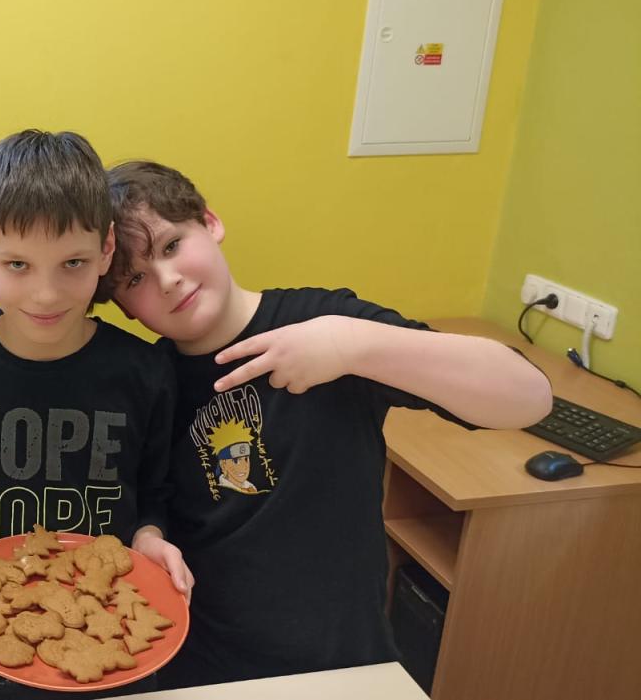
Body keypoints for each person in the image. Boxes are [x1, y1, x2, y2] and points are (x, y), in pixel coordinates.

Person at [98, 160, 554, 688]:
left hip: (344, 664)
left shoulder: (326, 324)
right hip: (204, 669)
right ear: (125, 308)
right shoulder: (148, 381)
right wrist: (147, 533)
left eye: (172, 246)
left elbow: (529, 398)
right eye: (136, 278)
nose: (168, 280)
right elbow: (148, 502)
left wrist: (351, 345)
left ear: (210, 223)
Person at [0, 131, 192, 700]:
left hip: (112, 666)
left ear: (106, 250)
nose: (45, 293)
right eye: (18, 264)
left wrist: (151, 538)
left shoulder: (145, 374)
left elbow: (154, 496)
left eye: (72, 263)